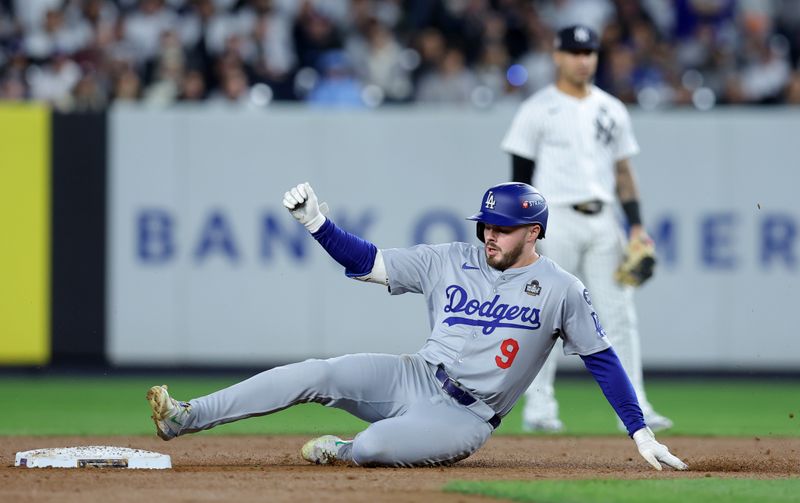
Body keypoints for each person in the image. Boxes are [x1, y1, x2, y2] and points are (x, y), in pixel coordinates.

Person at [146, 181, 686, 470]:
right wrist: (317, 224)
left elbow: (601, 359)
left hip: (465, 417)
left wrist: (639, 431)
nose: (489, 235)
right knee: (318, 372)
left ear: (534, 232)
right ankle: (185, 418)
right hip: (414, 375)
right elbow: (369, 263)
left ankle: (342, 451)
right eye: (485, 225)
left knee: (374, 449)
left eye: (502, 227)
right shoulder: (450, 257)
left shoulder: (562, 289)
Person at [500, 24, 672, 433]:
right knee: (541, 314)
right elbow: (519, 180)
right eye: (575, 52)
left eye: (590, 52)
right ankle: (539, 408)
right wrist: (524, 232)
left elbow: (624, 172)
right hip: (553, 219)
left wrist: (635, 227)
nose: (584, 60)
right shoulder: (537, 108)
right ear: (557, 56)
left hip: (603, 219)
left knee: (619, 315)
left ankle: (635, 408)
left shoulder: (612, 108)